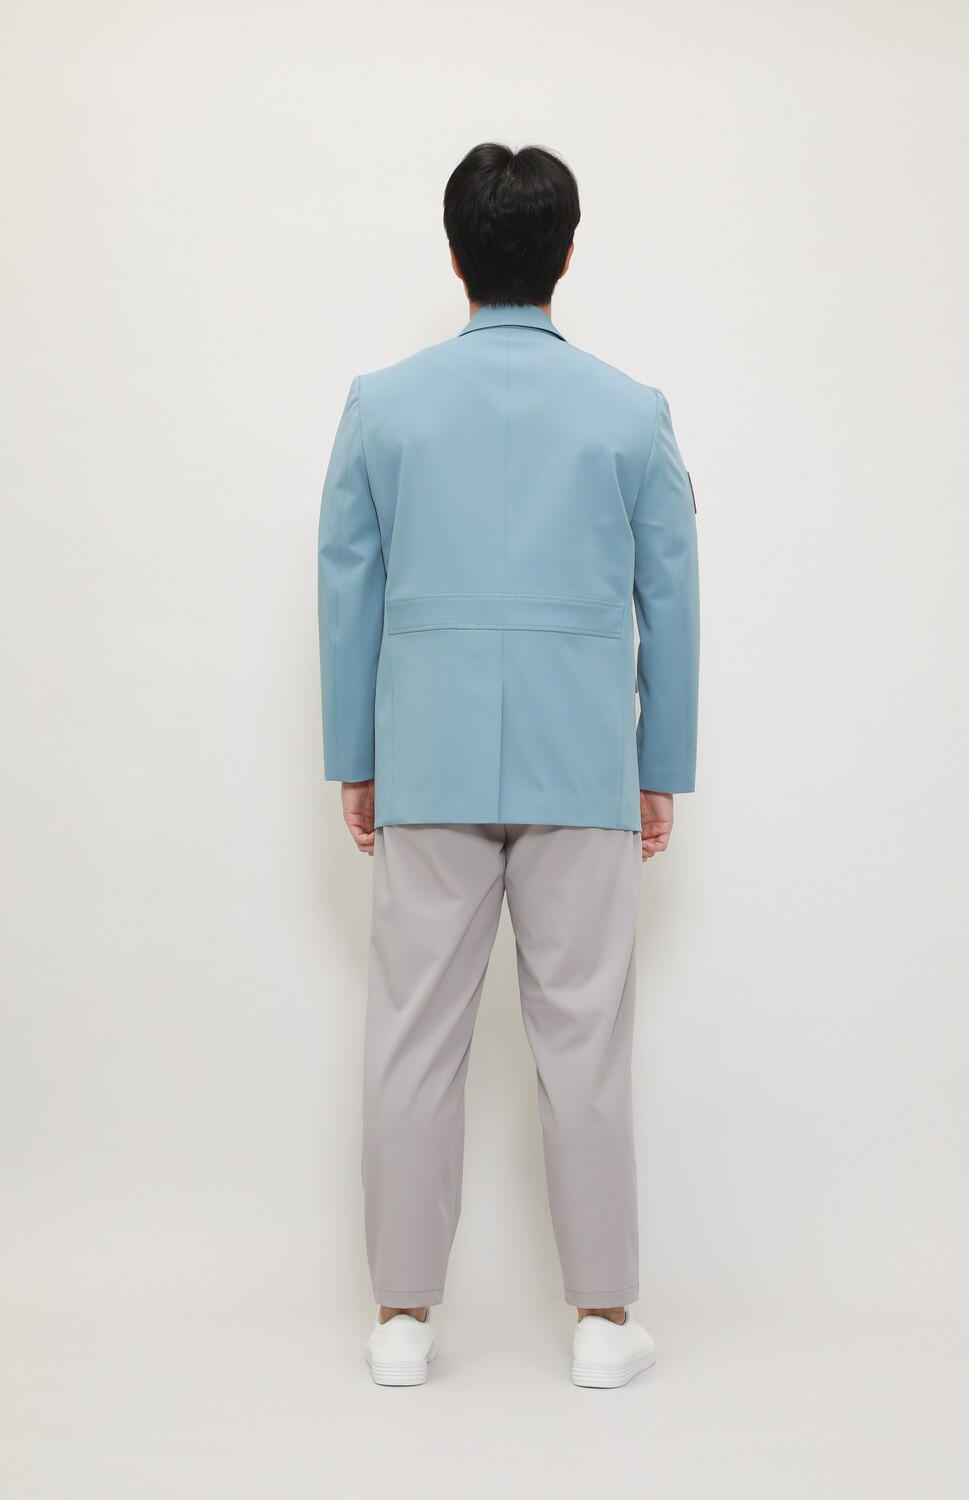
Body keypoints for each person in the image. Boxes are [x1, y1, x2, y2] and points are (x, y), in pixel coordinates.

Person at [317, 141, 700, 1387]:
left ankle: (400, 1322)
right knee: (584, 1041)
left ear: (455, 256)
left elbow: (347, 587)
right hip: (581, 762)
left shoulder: (382, 404)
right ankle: (602, 1325)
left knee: (410, 1039)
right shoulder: (631, 411)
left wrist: (356, 755)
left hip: (425, 757)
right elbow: (670, 599)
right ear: (566, 254)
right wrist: (658, 764)